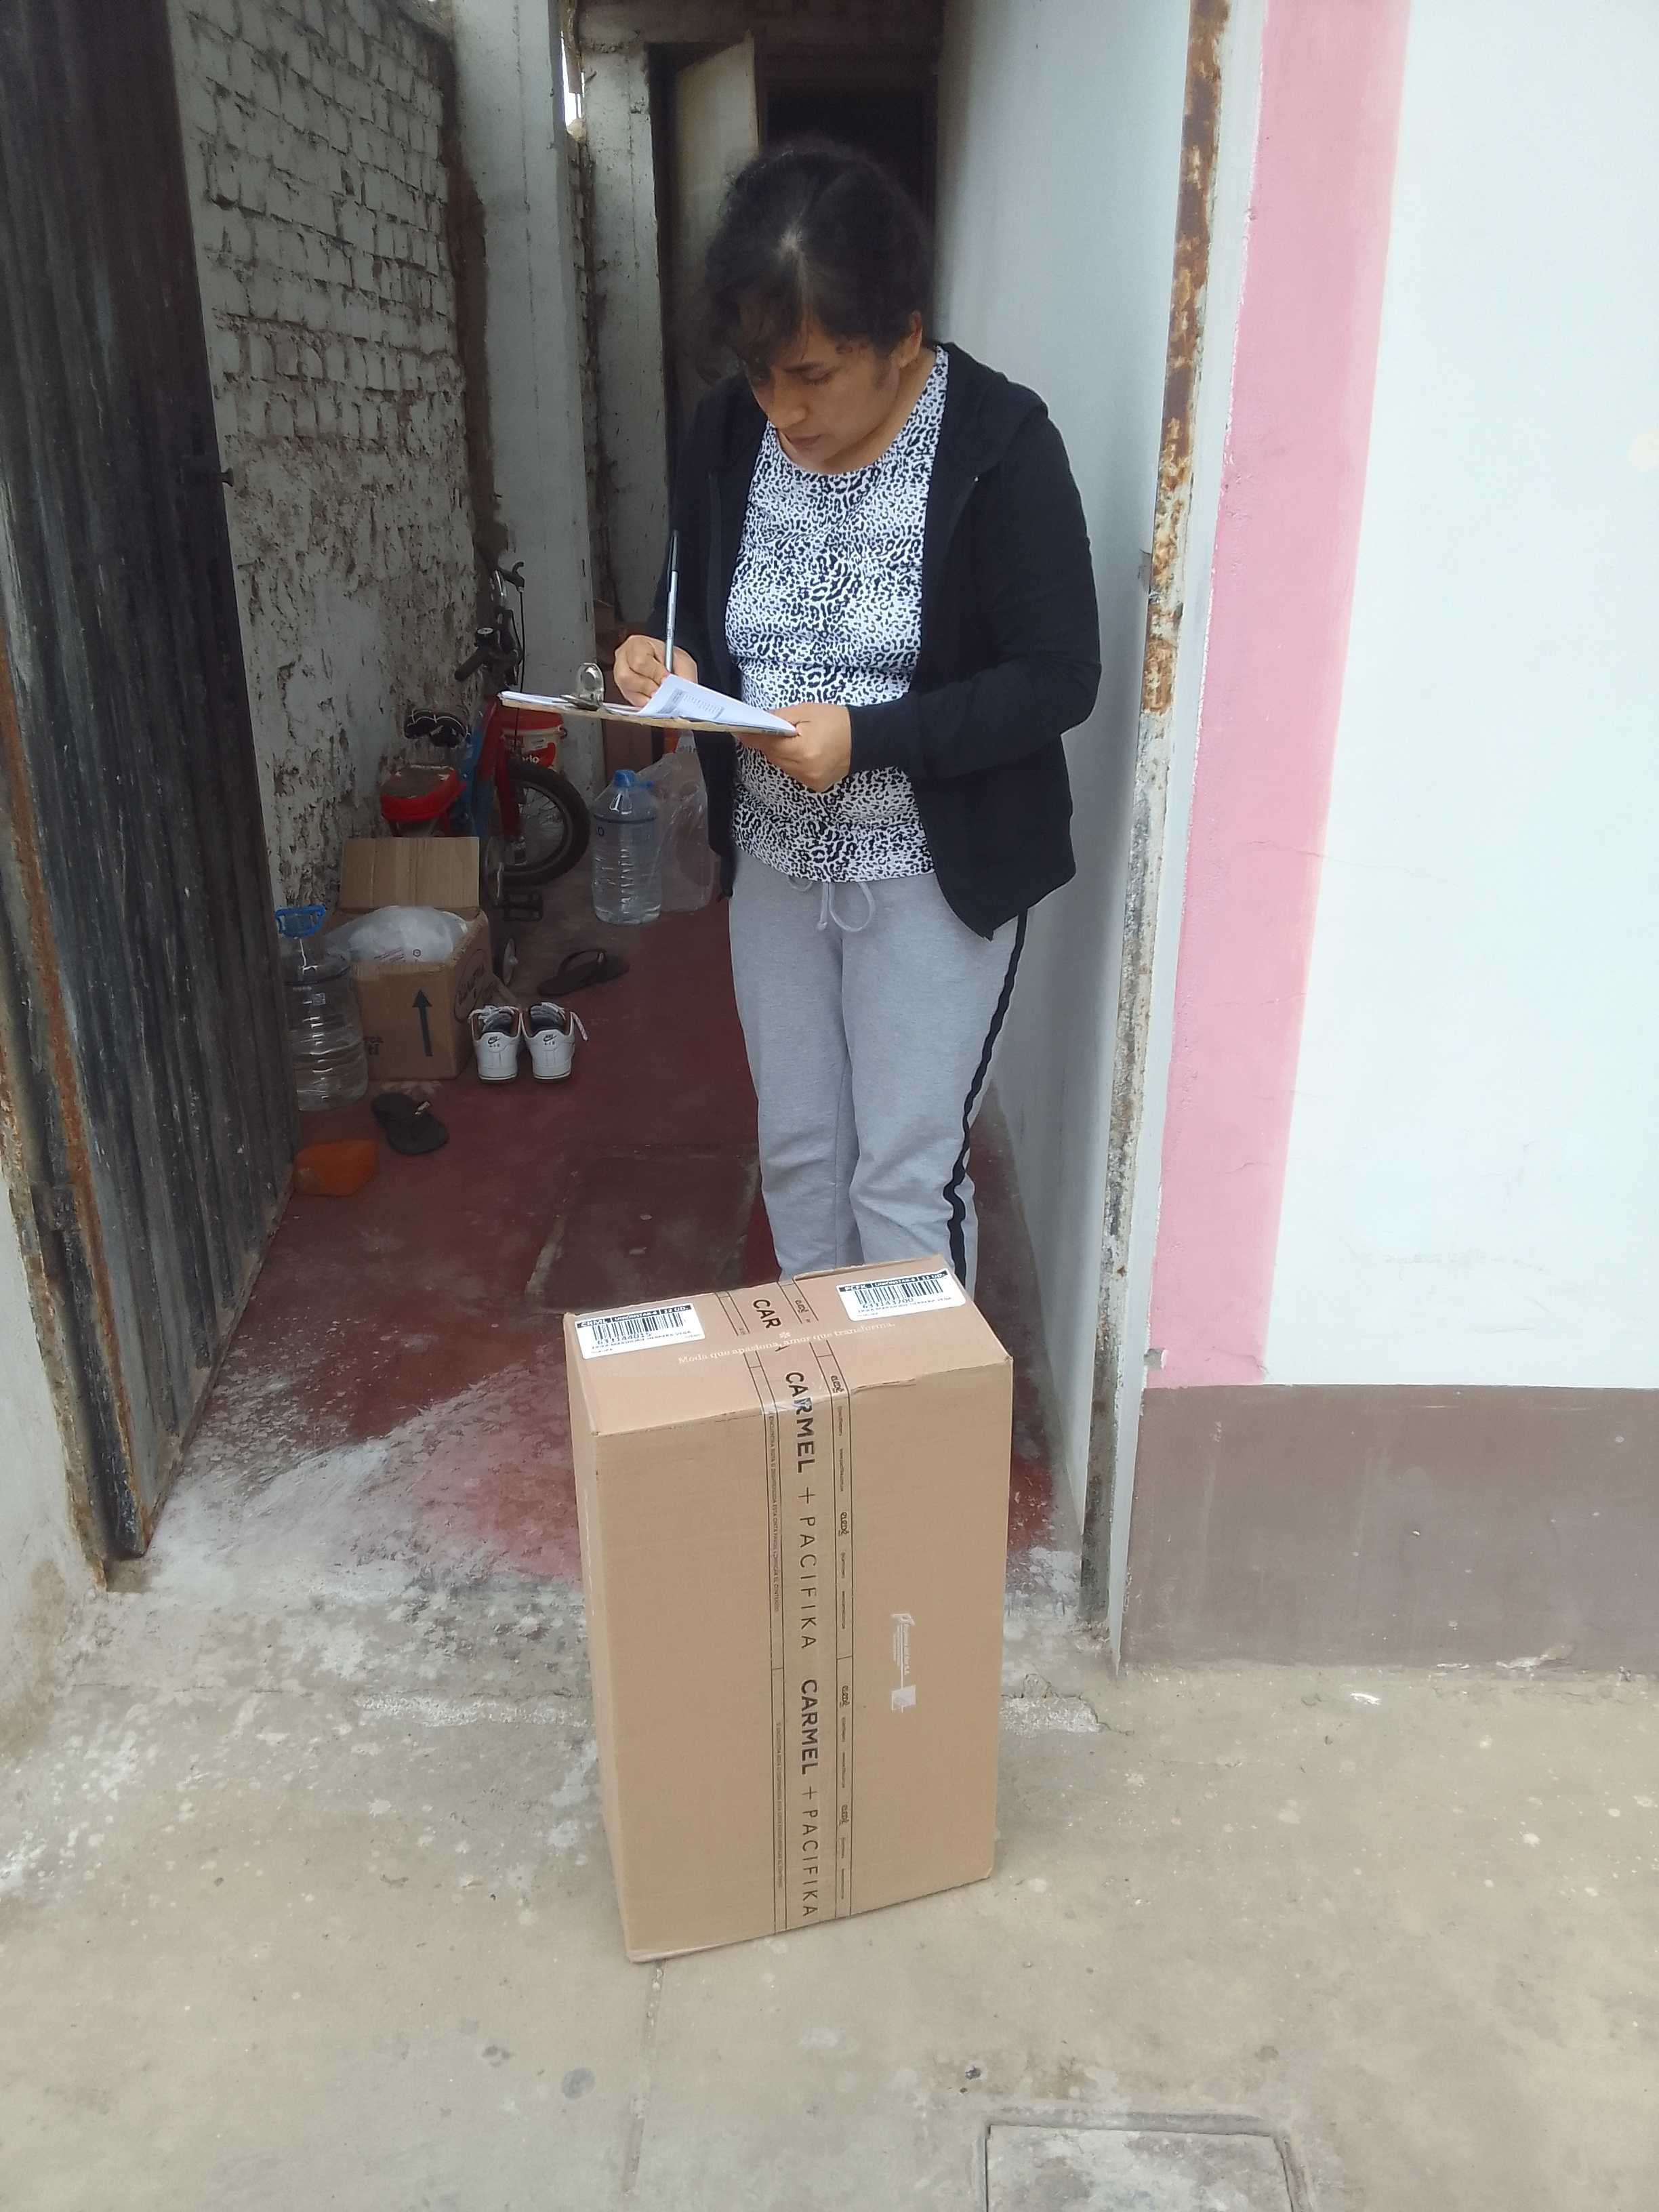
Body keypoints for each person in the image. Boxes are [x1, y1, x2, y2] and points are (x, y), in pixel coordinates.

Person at [613, 142, 1099, 1290]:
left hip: (936, 869)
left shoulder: (1000, 446)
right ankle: (825, 1390)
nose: (782, 410)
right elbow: (694, 593)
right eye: (760, 373)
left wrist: (869, 739)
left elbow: (1057, 676)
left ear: (903, 337)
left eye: (814, 375)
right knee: (799, 1156)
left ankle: (910, 1406)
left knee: (902, 1176)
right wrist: (663, 655)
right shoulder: (727, 433)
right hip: (779, 863)